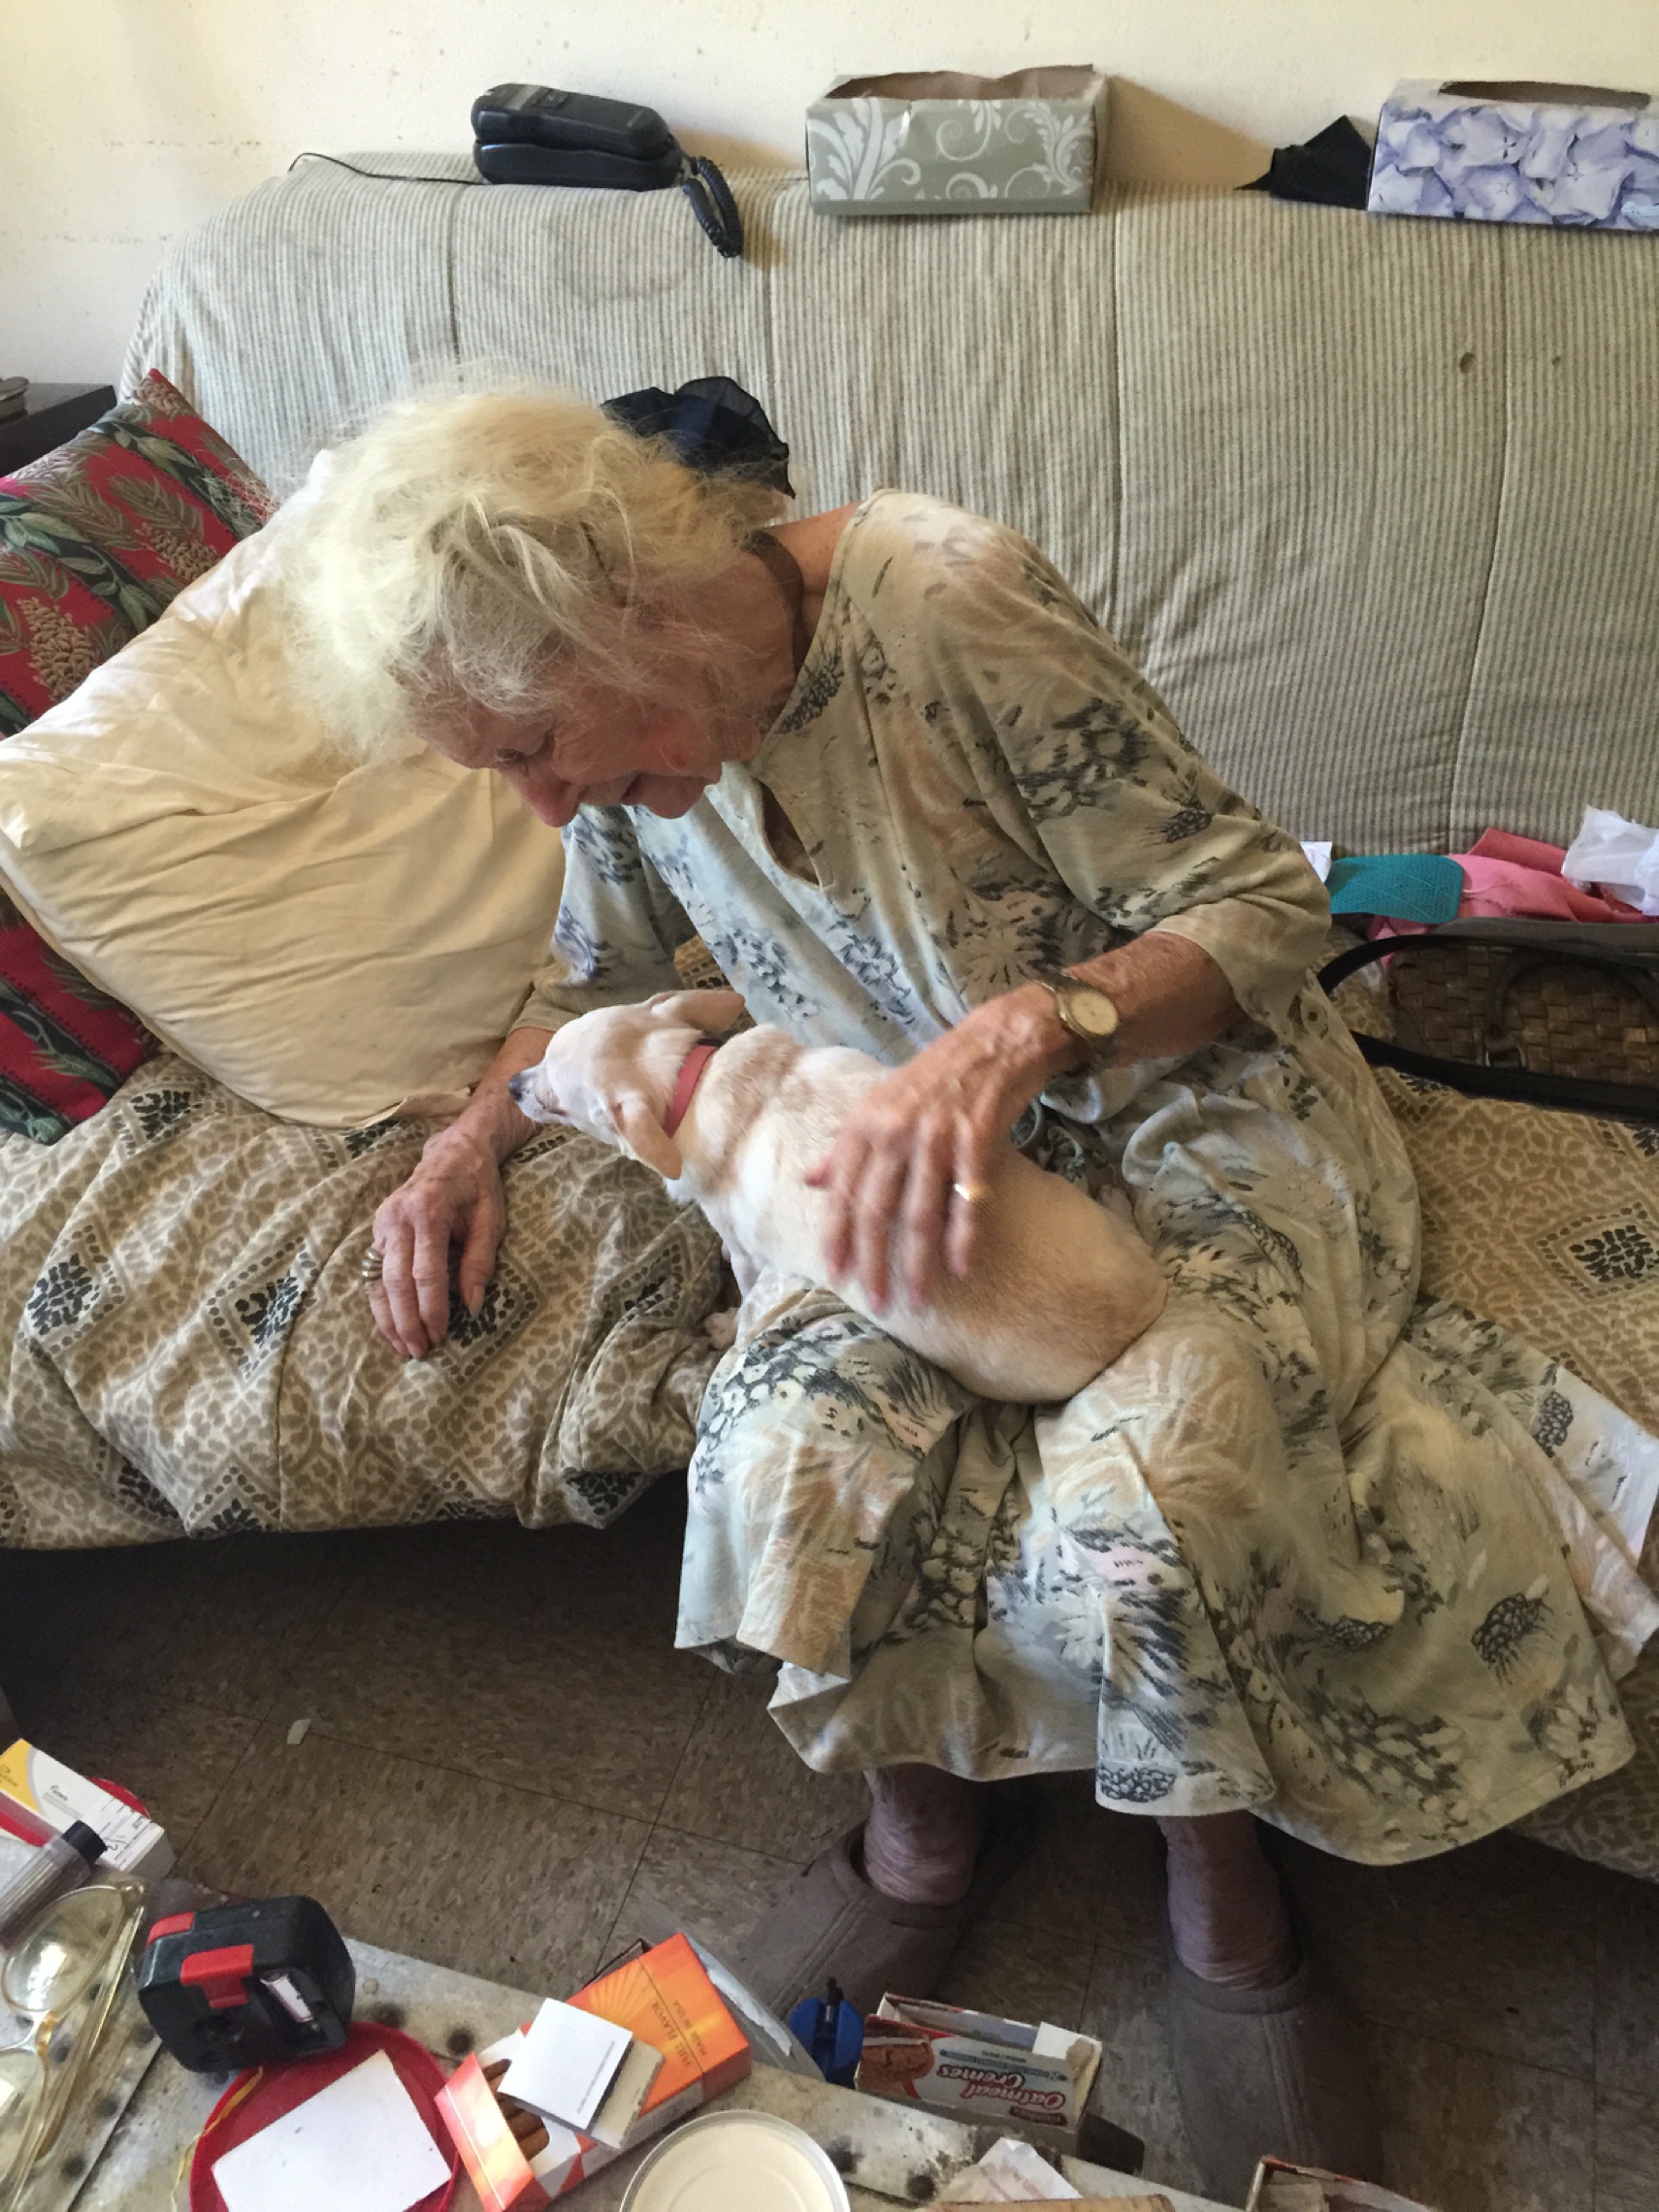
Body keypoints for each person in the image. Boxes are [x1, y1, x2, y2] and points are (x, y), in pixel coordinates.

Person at [279, 389, 1651, 2197]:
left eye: (535, 747)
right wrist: (465, 1143)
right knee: (775, 1446)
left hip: (1189, 1119)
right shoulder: (620, 763)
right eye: (502, 773)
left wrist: (1024, 1032)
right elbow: (593, 979)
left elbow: (1260, 909)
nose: (540, 800)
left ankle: (1221, 1898)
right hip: (886, 1153)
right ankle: (923, 1840)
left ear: (627, 611)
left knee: (1143, 1502)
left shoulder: (944, 598)